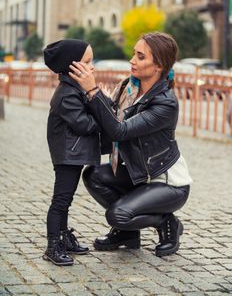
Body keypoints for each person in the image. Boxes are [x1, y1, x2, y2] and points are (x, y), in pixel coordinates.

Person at [69, 32, 192, 257]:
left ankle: (166, 222)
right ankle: (128, 234)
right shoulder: (129, 88)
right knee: (94, 175)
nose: (132, 61)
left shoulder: (165, 103)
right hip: (140, 173)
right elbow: (111, 116)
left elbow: (120, 130)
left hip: (167, 182)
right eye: (134, 54)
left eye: (140, 56)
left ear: (159, 66)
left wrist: (92, 90)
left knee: (117, 215)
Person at [43, 39, 101, 266]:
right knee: (61, 200)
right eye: (87, 62)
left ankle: (64, 237)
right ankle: (52, 245)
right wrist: (99, 114)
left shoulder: (74, 88)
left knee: (66, 200)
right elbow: (84, 125)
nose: (92, 67)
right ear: (72, 66)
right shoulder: (67, 94)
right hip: (67, 154)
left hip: (72, 152)